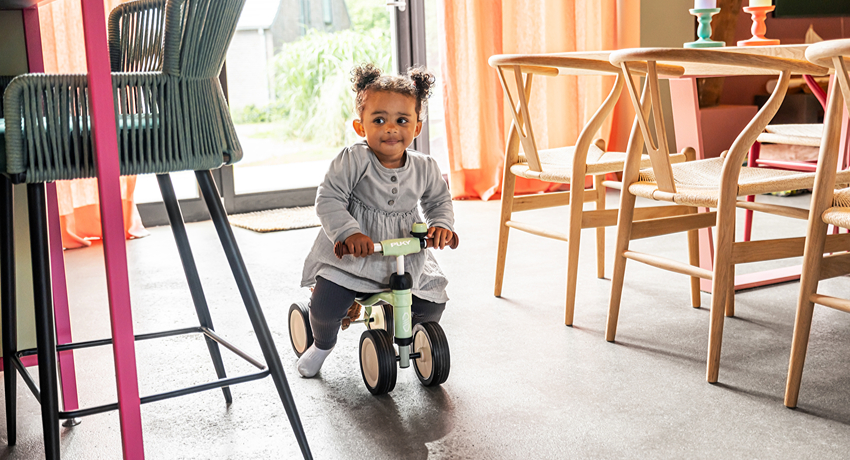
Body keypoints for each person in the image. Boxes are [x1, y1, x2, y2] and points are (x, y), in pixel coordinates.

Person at [297, 64, 457, 378]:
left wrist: (441, 224)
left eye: (402, 120)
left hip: (405, 254)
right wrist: (349, 231)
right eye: (379, 120)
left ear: (417, 127)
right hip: (356, 253)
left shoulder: (425, 166)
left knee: (431, 305)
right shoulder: (354, 160)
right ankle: (322, 345)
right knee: (326, 307)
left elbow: (439, 201)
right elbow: (329, 198)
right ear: (360, 126)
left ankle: (409, 333)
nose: (391, 129)